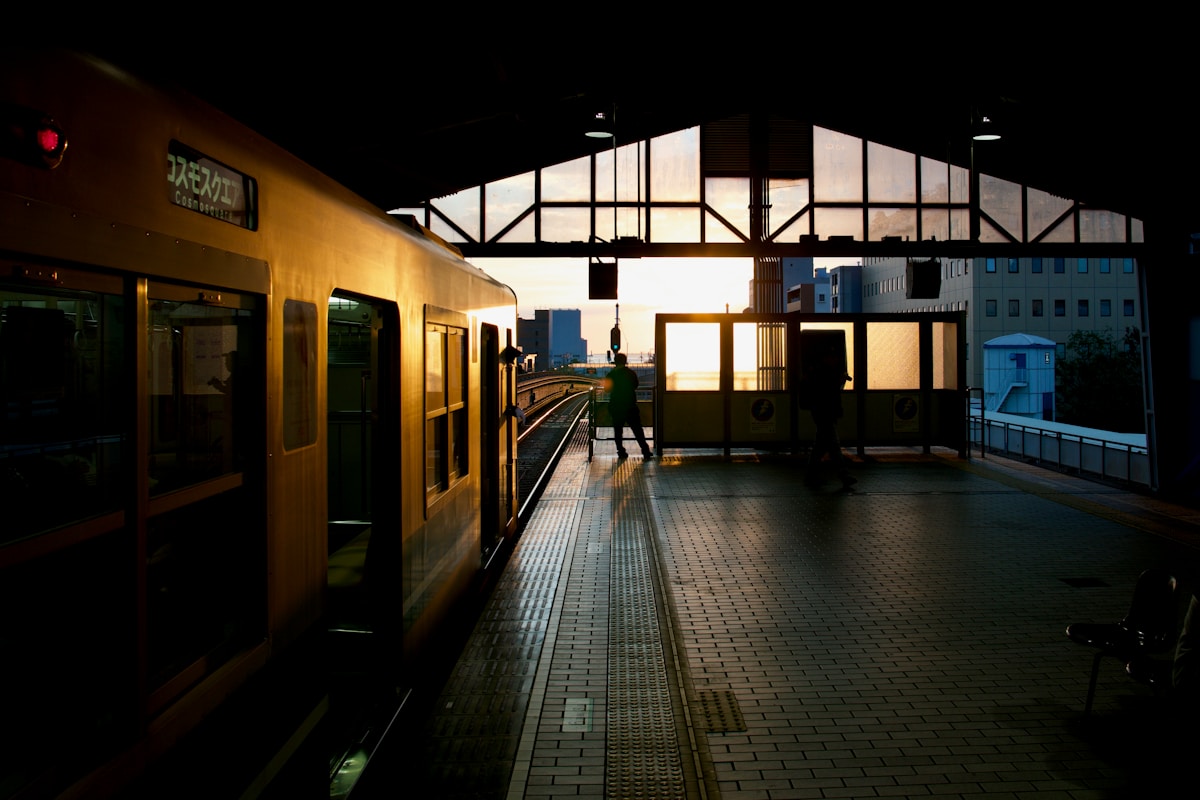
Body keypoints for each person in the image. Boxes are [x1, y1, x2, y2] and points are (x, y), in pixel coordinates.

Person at [803, 341, 856, 489]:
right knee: (833, 445)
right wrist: (839, 381)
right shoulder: (825, 373)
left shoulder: (818, 371)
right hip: (825, 414)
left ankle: (811, 476)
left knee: (820, 447)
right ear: (827, 358)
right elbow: (828, 394)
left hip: (821, 413)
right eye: (833, 357)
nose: (836, 360)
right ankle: (843, 475)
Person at [604, 352, 653, 459]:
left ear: (615, 362)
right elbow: (635, 385)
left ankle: (621, 451)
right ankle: (645, 450)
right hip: (630, 405)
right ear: (625, 361)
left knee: (618, 431)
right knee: (637, 429)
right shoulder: (630, 373)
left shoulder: (611, 375)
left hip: (616, 406)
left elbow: (606, 389)